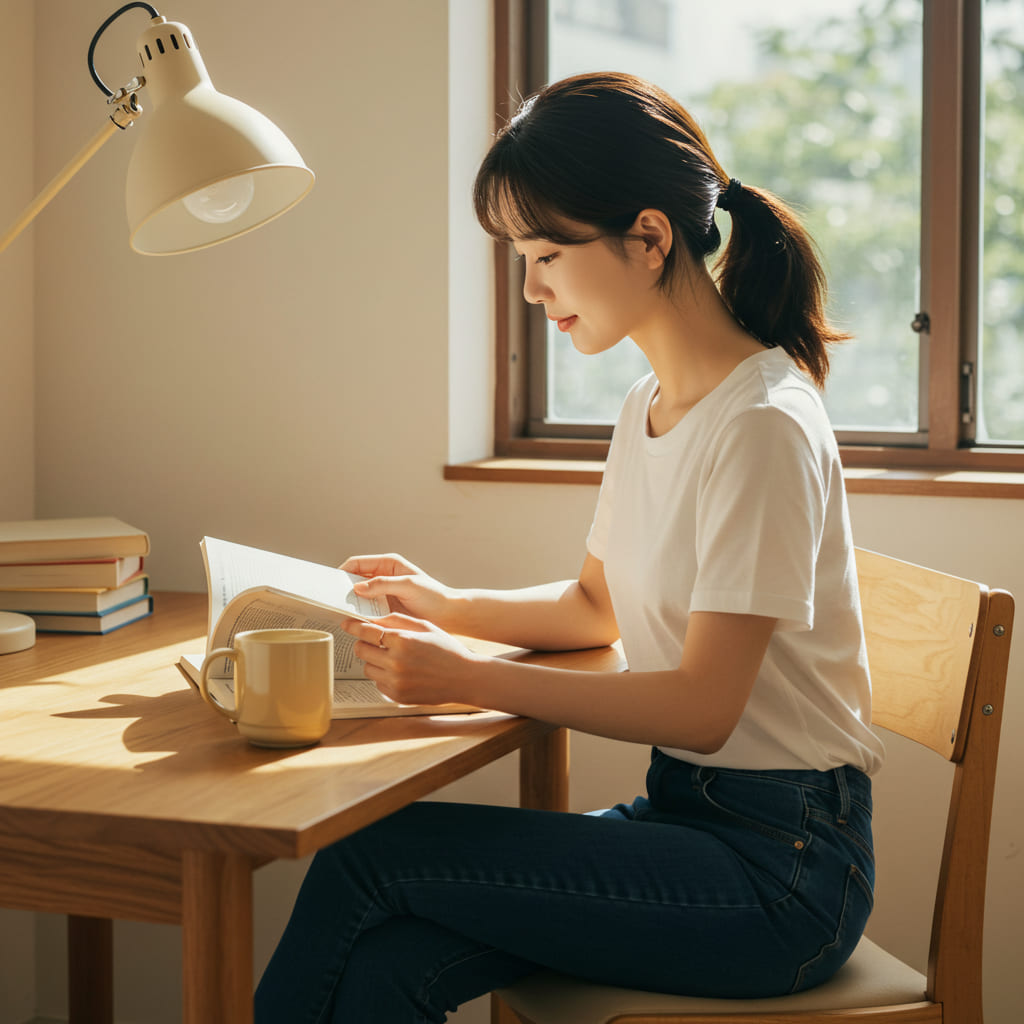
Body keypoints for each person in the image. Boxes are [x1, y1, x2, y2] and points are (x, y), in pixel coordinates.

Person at [254, 71, 885, 1023]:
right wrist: (446, 605)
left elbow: (703, 706)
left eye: (547, 252)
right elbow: (597, 607)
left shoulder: (763, 424)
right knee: (389, 955)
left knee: (369, 855)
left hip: (783, 875)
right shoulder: (650, 405)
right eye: (521, 255)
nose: (530, 287)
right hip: (691, 820)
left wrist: (465, 677)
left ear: (650, 238)